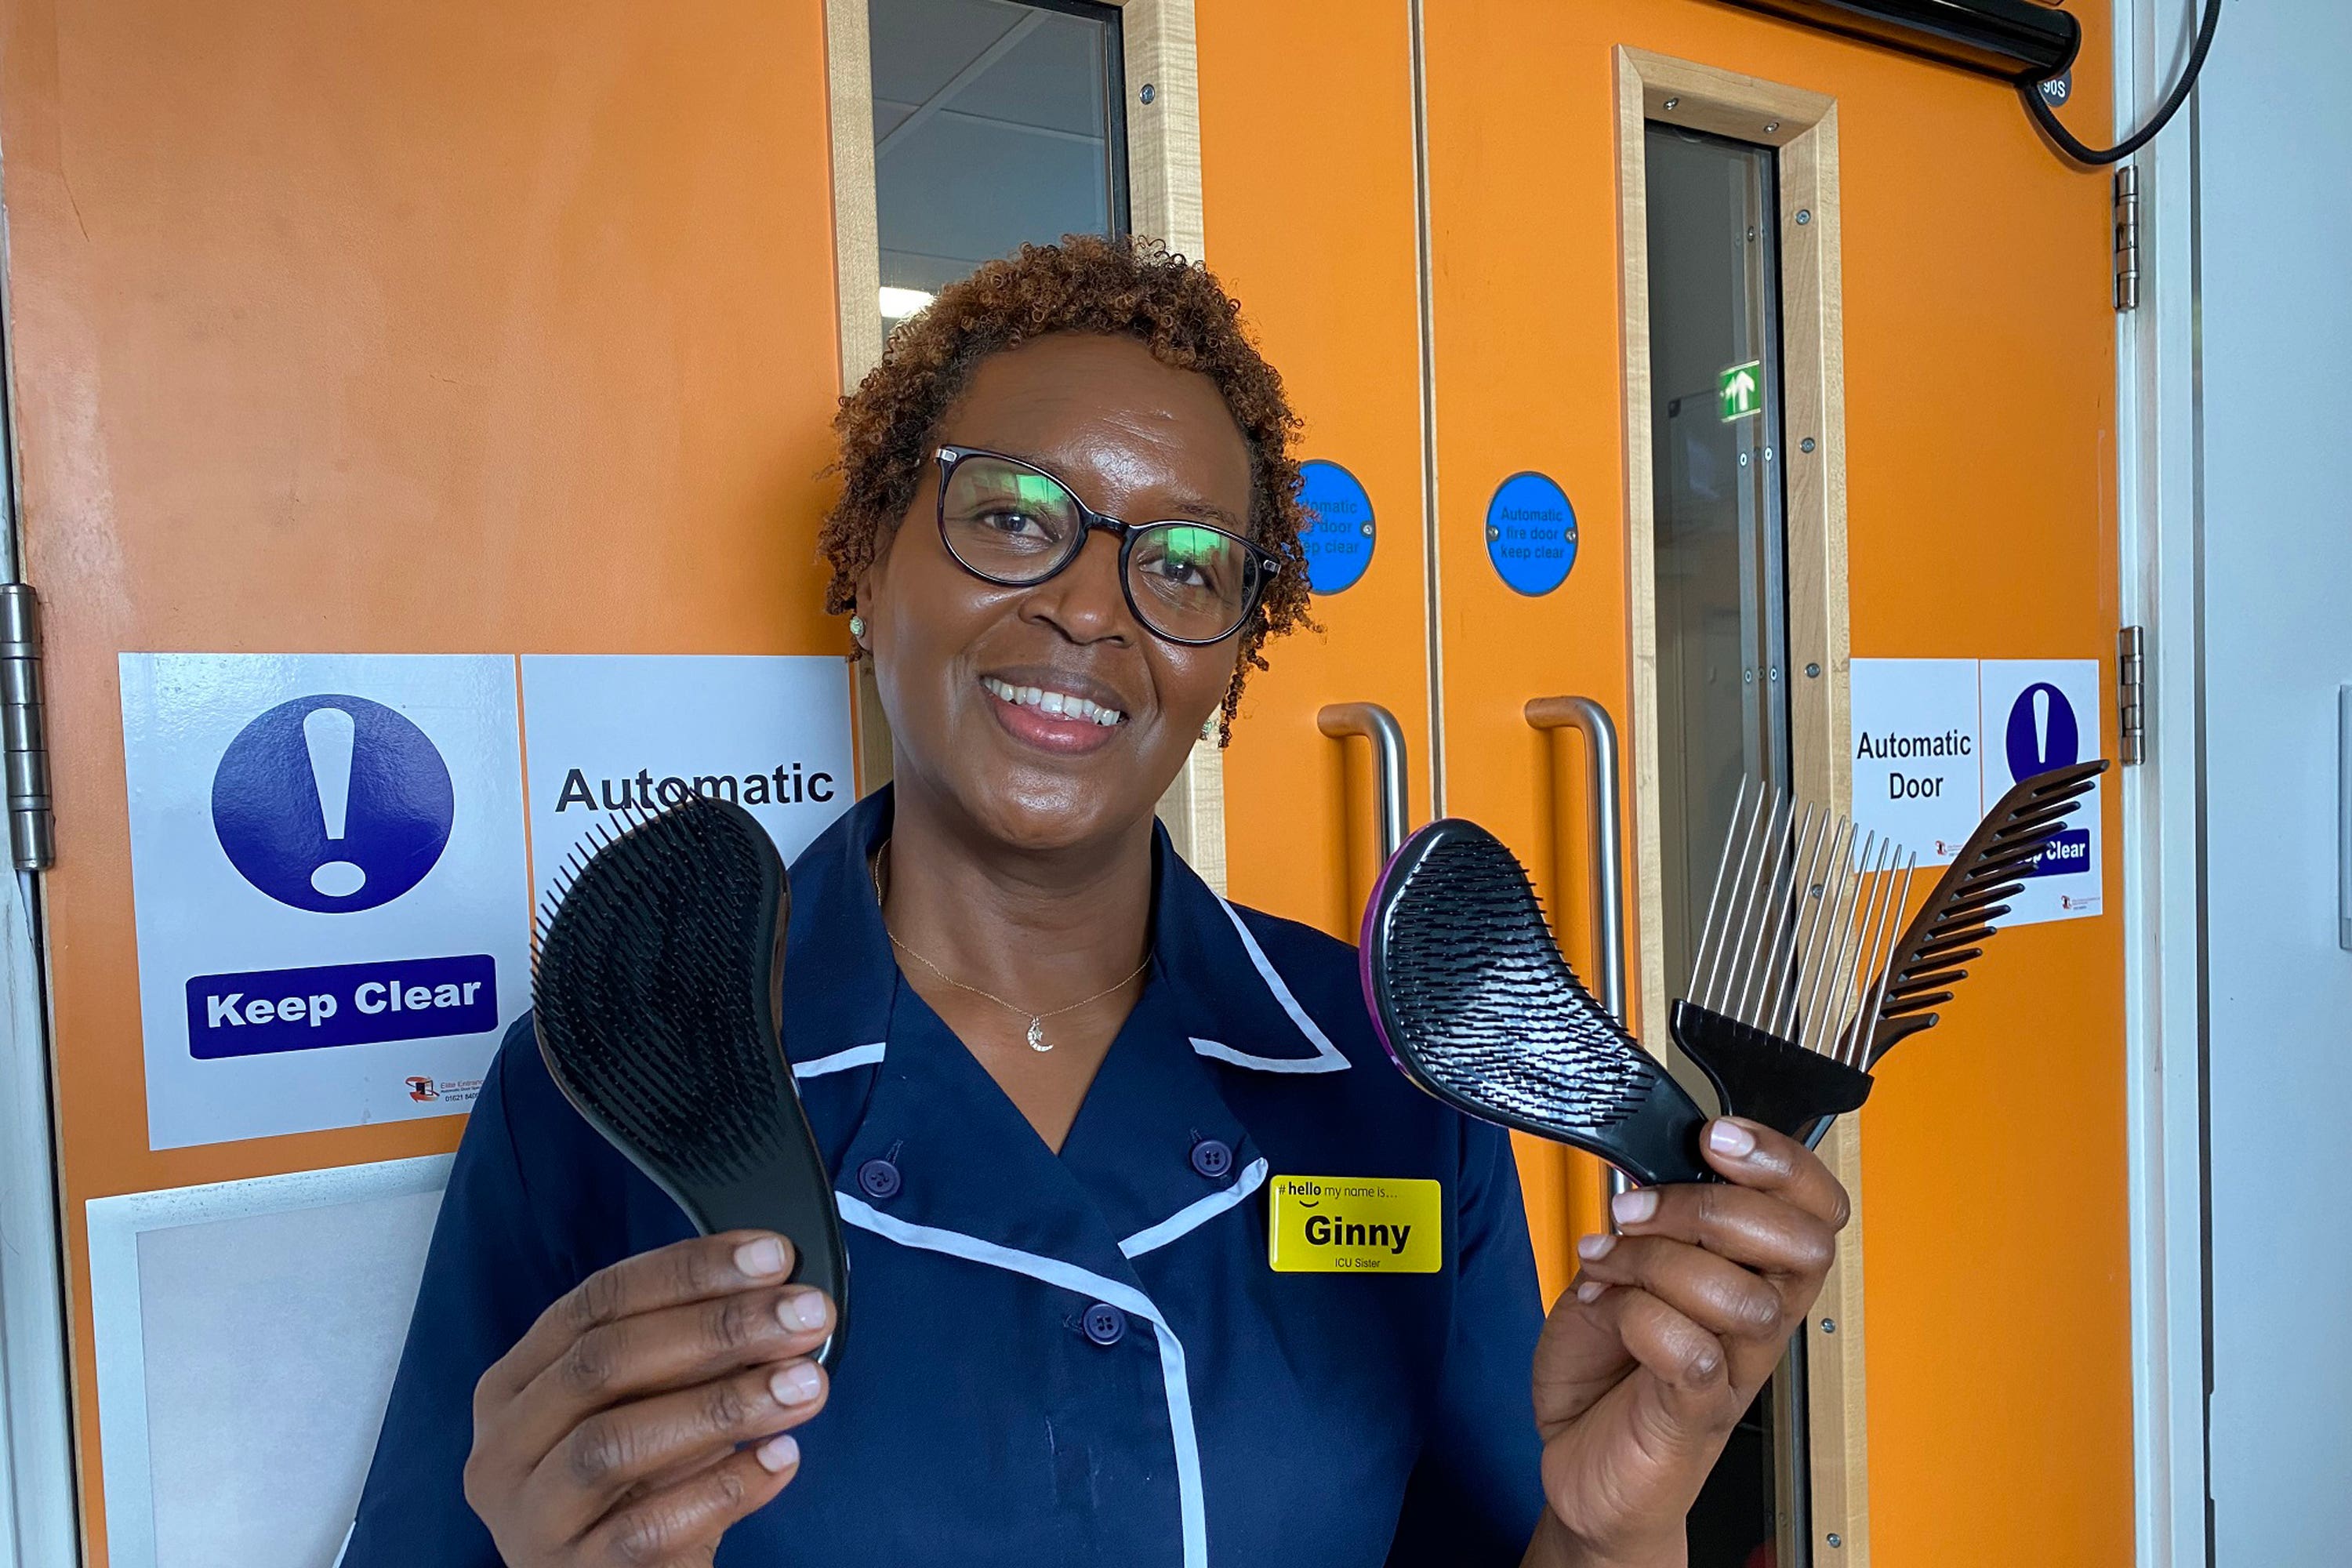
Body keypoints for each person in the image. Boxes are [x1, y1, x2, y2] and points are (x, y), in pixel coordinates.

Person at [343, 235, 1846, 1568]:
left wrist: (1615, 1529)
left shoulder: (1384, 1070)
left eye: (1187, 565)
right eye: (1010, 516)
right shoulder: (625, 1069)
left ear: (1231, 654)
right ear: (868, 555)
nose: (1088, 605)